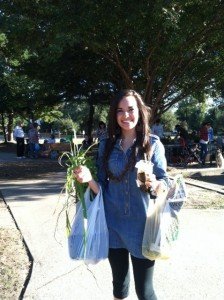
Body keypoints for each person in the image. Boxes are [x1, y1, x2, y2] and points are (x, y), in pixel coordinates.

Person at [74, 89, 169, 300]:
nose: (126, 116)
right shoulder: (106, 145)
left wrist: (155, 183)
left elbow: (165, 184)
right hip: (113, 225)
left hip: (143, 226)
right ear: (114, 115)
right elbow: (102, 187)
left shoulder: (152, 144)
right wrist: (88, 179)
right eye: (120, 111)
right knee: (119, 284)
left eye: (130, 109)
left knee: (144, 291)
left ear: (140, 112)